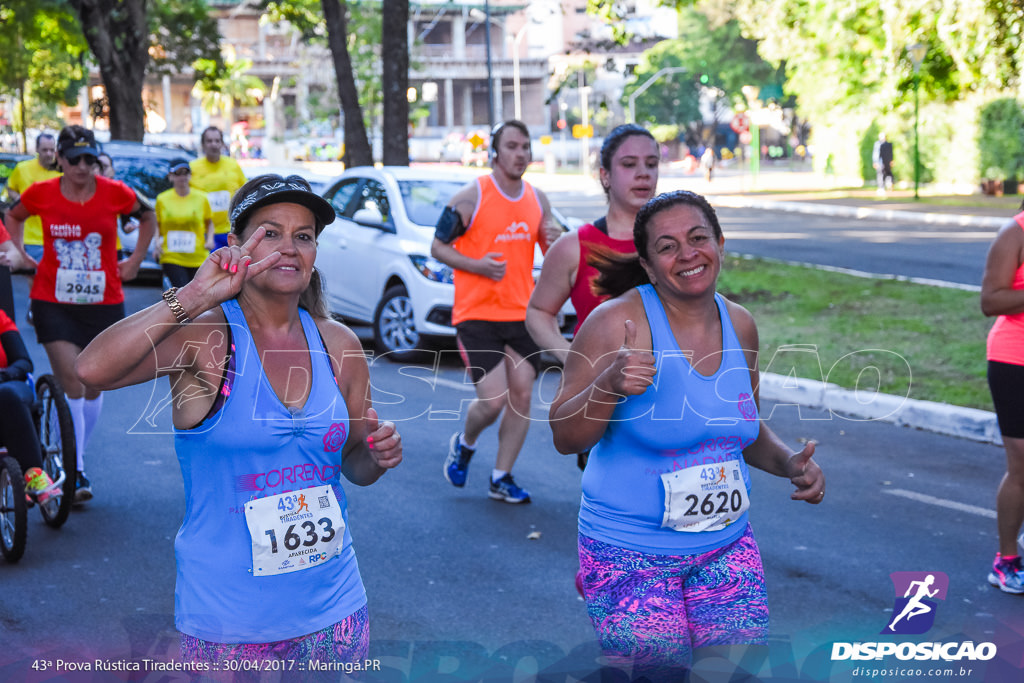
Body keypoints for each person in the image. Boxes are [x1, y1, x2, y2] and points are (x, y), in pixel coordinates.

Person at [75, 173, 403, 664]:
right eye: (270, 232)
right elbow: (89, 370)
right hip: (230, 621)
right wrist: (190, 298)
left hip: (335, 609)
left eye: (304, 236)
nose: (289, 248)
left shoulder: (339, 345)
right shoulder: (205, 339)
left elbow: (354, 465)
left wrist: (377, 456)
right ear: (236, 246)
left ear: (315, 253)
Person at [548, 190, 825, 676]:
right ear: (650, 266)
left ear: (719, 242)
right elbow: (566, 437)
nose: (688, 254)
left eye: (698, 238)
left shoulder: (741, 324)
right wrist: (608, 384)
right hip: (629, 552)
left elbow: (740, 428)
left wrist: (788, 463)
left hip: (726, 545)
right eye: (668, 246)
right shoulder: (616, 323)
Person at [2, 125, 156, 504]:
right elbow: (14, 216)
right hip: (53, 299)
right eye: (75, 159)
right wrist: (21, 255)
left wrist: (135, 261)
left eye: (90, 159)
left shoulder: (115, 193)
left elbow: (148, 216)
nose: (84, 167)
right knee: (72, 379)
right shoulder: (41, 193)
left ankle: (72, 459)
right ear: (61, 159)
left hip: (104, 300)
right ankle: (76, 469)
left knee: (94, 383)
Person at [431, 119, 562, 504]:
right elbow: (438, 248)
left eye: (525, 147)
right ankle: (466, 442)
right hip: (477, 314)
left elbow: (550, 252)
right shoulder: (470, 196)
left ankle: (501, 476)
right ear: (495, 152)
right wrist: (477, 265)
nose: (520, 154)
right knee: (493, 400)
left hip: (521, 314)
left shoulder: (538, 199)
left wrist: (552, 241)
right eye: (512, 146)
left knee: (522, 396)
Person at [526, 123, 659, 470]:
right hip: (603, 400)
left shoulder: (675, 247)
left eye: (651, 163)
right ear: (604, 175)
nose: (643, 174)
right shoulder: (574, 246)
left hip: (668, 398)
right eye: (629, 164)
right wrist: (571, 356)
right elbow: (538, 312)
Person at [981, 207, 1024, 594]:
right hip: (1015, 361)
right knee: (1022, 465)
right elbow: (991, 300)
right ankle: (1006, 561)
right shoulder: (1015, 233)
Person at [0, 306, 62, 503]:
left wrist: (4, 374)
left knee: (7, 396)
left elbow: (23, 361)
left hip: (6, 386)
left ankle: (34, 476)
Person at [155, 158, 213, 288]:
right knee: (181, 292)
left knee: (198, 294)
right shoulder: (162, 199)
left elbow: (209, 222)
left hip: (197, 256)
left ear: (190, 175)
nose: (182, 177)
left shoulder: (202, 198)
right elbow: (157, 224)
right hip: (172, 255)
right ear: (170, 176)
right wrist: (156, 242)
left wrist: (210, 240)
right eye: (177, 173)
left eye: (185, 172)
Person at [6, 132, 60, 265]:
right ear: (36, 150)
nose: (48, 154)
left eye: (52, 150)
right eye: (44, 150)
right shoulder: (22, 169)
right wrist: (21, 200)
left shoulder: (62, 171)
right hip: (31, 239)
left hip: (57, 237)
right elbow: (10, 188)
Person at [190, 126, 247, 250]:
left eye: (217, 141)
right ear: (203, 145)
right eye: (209, 141)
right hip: (203, 233)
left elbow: (246, 193)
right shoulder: (193, 168)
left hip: (231, 231)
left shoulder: (233, 165)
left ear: (222, 144)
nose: (213, 145)